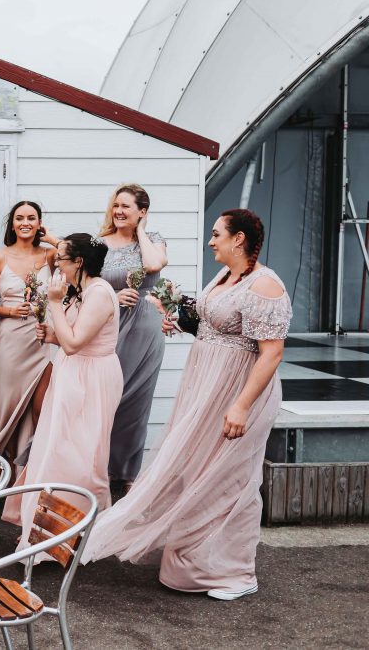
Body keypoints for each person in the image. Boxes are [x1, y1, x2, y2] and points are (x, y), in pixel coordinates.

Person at [83, 209, 291, 602]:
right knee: (196, 472)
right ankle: (195, 565)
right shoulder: (227, 277)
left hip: (239, 390)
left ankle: (236, 571)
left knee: (230, 478)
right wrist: (179, 320)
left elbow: (271, 353)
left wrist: (241, 406)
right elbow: (217, 324)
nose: (210, 241)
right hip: (206, 387)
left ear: (238, 240)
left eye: (216, 235)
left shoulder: (266, 286)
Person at [6, 233, 123, 530]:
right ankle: (45, 525)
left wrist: (54, 303)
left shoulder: (99, 292)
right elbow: (69, 340)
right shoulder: (78, 291)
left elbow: (74, 344)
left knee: (83, 454)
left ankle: (79, 526)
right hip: (71, 372)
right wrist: (51, 335)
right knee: (58, 447)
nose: (56, 264)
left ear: (79, 262)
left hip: (93, 377)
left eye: (61, 258)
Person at [99, 184, 168, 497]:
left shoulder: (153, 241)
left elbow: (153, 266)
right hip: (108, 325)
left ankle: (127, 473)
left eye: (126, 206)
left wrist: (140, 230)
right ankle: (98, 466)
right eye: (116, 206)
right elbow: (85, 288)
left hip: (145, 327)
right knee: (107, 399)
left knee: (137, 403)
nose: (119, 212)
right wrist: (113, 296)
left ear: (142, 211)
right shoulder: (98, 243)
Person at [0, 201, 57, 469]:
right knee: (9, 409)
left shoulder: (50, 255)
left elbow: (77, 261)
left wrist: (50, 238)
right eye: (19, 218)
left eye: (31, 218)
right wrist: (10, 312)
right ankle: (5, 471)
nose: (25, 223)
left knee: (41, 410)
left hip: (43, 339)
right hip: (11, 341)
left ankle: (32, 471)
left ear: (39, 223)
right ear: (12, 224)